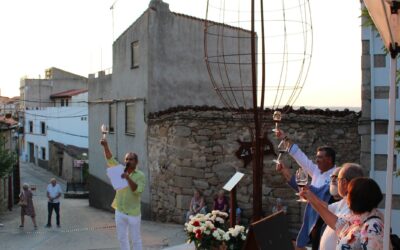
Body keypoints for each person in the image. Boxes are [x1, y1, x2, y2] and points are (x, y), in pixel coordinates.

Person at [276, 129, 337, 250]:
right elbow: (299, 155)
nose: (316, 160)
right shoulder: (316, 170)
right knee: (301, 246)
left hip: (327, 221)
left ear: (329, 160)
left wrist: (310, 190)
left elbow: (323, 194)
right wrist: (284, 138)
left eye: (320, 157)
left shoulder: (337, 175)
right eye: (316, 157)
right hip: (312, 218)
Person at [301, 177, 384, 249]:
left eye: (349, 193)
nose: (346, 197)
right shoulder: (357, 220)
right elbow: (336, 223)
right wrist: (310, 198)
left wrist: (311, 198)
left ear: (358, 198)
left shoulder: (372, 226)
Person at [100, 138, 145, 250]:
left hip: (133, 213)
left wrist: (128, 178)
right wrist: (105, 146)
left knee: (136, 239)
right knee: (122, 238)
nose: (128, 161)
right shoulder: (120, 169)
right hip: (119, 210)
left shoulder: (140, 175)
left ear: (136, 162)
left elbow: (137, 191)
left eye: (131, 159)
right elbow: (110, 159)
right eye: (126, 159)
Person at [276, 162, 332, 250]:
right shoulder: (322, 185)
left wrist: (311, 197)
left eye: (337, 178)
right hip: (312, 236)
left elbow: (326, 206)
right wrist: (284, 171)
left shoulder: (336, 198)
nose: (317, 160)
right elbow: (304, 188)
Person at [319, 163, 364, 250]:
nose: (335, 181)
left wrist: (311, 198)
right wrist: (309, 196)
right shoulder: (344, 201)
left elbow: (337, 224)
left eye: (337, 179)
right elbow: (326, 208)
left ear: (344, 182)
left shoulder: (356, 205)